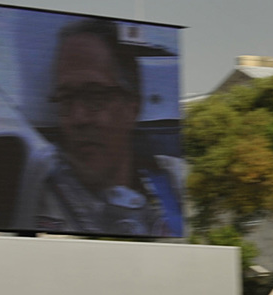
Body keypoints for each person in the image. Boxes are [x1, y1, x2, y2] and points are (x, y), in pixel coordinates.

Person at [15, 18, 184, 236]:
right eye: (66, 98)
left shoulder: (174, 180)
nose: (78, 118)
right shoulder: (36, 189)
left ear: (132, 107)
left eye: (95, 96)